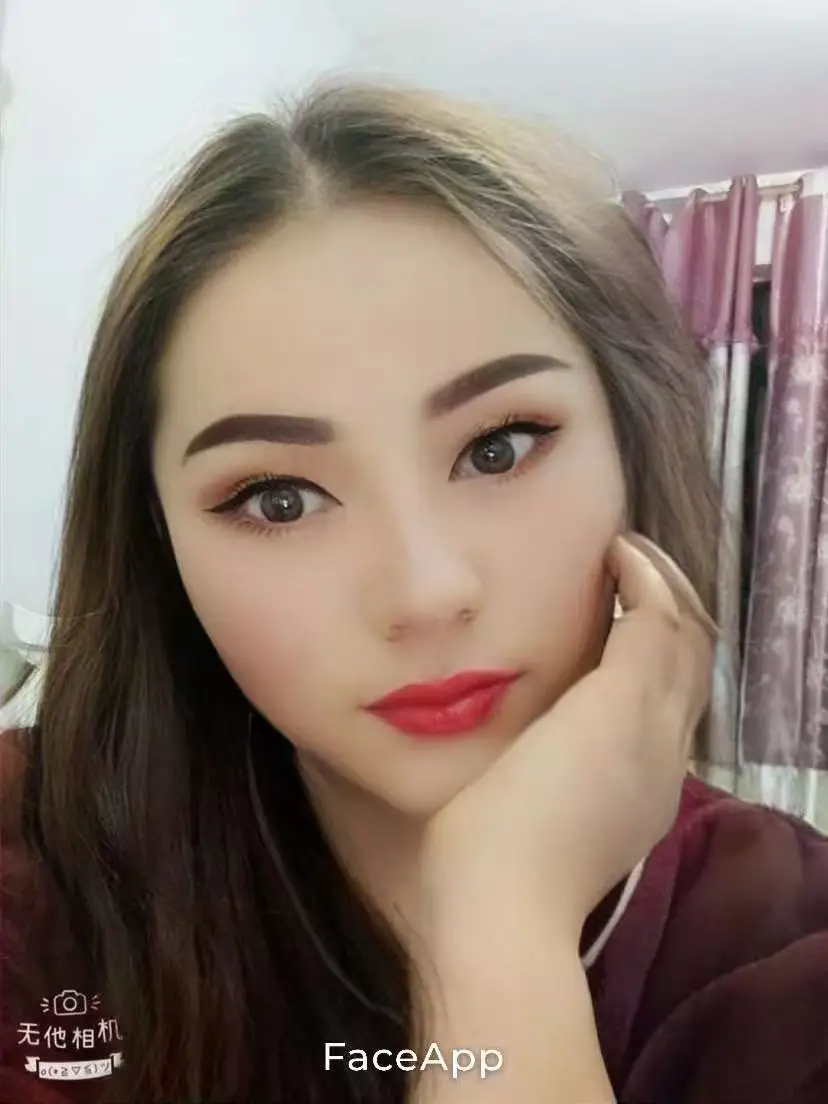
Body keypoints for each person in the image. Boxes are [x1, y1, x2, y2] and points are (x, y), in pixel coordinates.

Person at [0, 78, 826, 1104]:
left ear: (631, 445)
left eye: (499, 447)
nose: (426, 594)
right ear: (156, 543)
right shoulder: (33, 873)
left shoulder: (784, 947)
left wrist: (502, 920)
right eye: (280, 499)